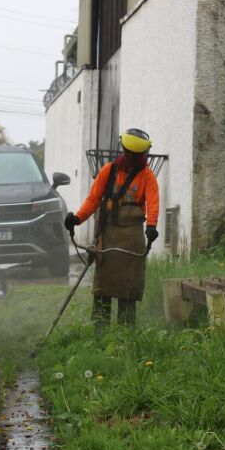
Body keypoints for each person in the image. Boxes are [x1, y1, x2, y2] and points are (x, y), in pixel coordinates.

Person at [64, 128, 160, 327]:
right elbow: (93, 200)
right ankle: (100, 332)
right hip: (107, 236)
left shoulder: (147, 176)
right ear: (123, 150)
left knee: (128, 288)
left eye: (136, 156)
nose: (132, 159)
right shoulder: (108, 171)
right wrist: (77, 219)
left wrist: (151, 226)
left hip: (132, 239)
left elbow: (153, 204)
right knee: (103, 289)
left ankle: (125, 334)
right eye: (129, 154)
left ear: (142, 155)